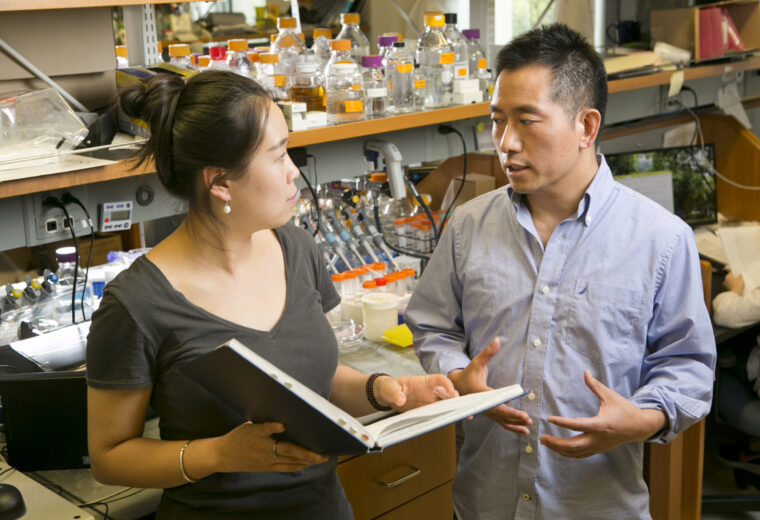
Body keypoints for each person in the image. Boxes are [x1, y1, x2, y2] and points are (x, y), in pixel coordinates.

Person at [86, 70, 457, 520]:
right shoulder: (137, 303)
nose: (294, 172)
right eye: (278, 155)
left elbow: (315, 383)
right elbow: (110, 456)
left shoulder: (296, 249)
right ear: (220, 183)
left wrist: (387, 391)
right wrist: (219, 454)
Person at [405, 24, 716, 519]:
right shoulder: (467, 225)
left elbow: (687, 366)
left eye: (527, 120)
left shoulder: (661, 238)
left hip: (598, 506)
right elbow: (432, 327)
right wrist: (456, 375)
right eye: (497, 120)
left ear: (586, 127)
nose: (505, 142)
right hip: (486, 504)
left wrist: (643, 419)